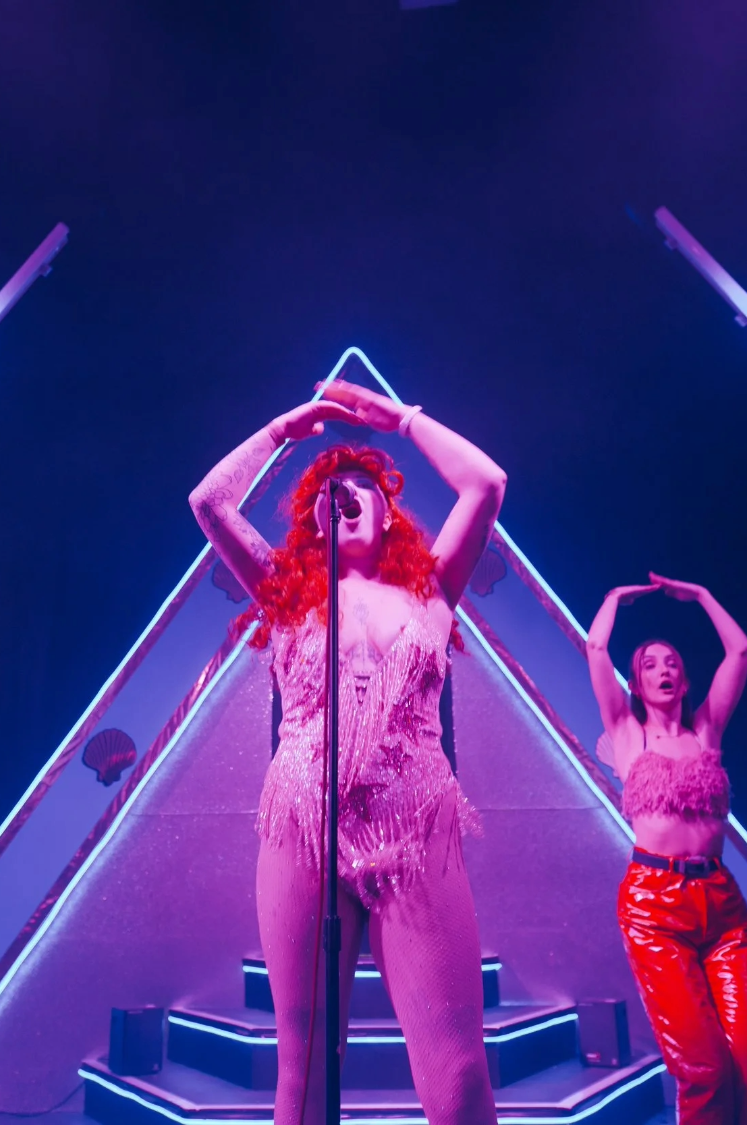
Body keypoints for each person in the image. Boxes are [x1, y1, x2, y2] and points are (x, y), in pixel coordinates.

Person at [189, 381, 505, 1125]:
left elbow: (486, 482)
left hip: (415, 823)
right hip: (304, 824)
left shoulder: (433, 590)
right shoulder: (283, 592)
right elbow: (209, 504)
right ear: (314, 521)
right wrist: (282, 429)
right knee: (302, 1075)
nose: (346, 494)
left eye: (363, 487)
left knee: (458, 1072)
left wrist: (401, 419)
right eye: (331, 490)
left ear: (390, 512)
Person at [584, 573, 747, 1125]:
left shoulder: (707, 732)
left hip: (722, 902)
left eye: (670, 664)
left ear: (685, 680)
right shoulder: (626, 732)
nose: (662, 670)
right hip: (654, 905)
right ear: (637, 685)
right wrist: (612, 599)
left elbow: (741, 649)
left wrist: (703, 598)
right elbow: (596, 647)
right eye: (649, 665)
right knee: (705, 1071)